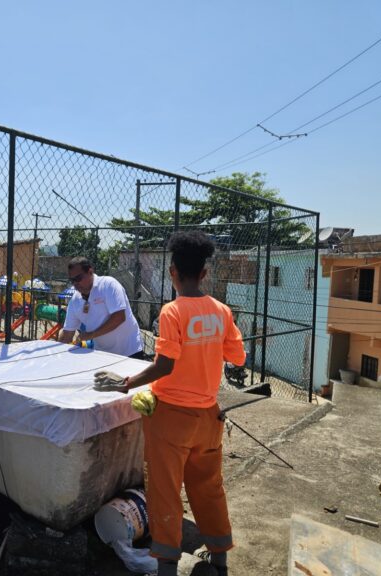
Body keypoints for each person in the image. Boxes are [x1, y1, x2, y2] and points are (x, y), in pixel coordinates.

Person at [104, 231, 245, 576]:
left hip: (171, 419)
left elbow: (165, 363)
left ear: (173, 272)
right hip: (209, 417)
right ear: (205, 273)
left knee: (165, 492)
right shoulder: (222, 311)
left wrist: (126, 384)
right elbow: (237, 357)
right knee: (209, 488)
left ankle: (167, 567)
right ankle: (219, 558)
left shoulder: (173, 311)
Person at [58, 256, 145, 358]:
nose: (75, 283)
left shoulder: (108, 285)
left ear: (90, 272)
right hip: (102, 354)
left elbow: (119, 317)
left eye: (78, 278)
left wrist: (90, 335)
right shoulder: (74, 301)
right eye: (72, 280)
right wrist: (56, 352)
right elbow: (68, 333)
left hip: (129, 351)